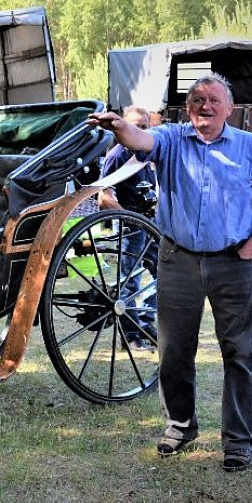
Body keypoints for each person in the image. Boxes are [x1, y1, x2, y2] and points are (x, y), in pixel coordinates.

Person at [86, 73, 252, 473]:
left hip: (234, 264)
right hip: (178, 260)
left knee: (239, 353)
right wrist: (119, 125)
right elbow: (141, 140)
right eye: (197, 100)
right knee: (174, 350)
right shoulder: (173, 139)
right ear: (187, 108)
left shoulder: (250, 146)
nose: (204, 106)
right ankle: (180, 426)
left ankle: (238, 442)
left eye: (213, 100)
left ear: (229, 108)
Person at [98, 106, 159, 351]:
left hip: (151, 224)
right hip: (131, 227)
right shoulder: (117, 156)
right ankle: (131, 335)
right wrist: (126, 215)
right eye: (135, 126)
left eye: (144, 127)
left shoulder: (146, 152)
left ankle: (145, 322)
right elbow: (104, 196)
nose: (140, 131)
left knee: (165, 275)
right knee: (130, 282)